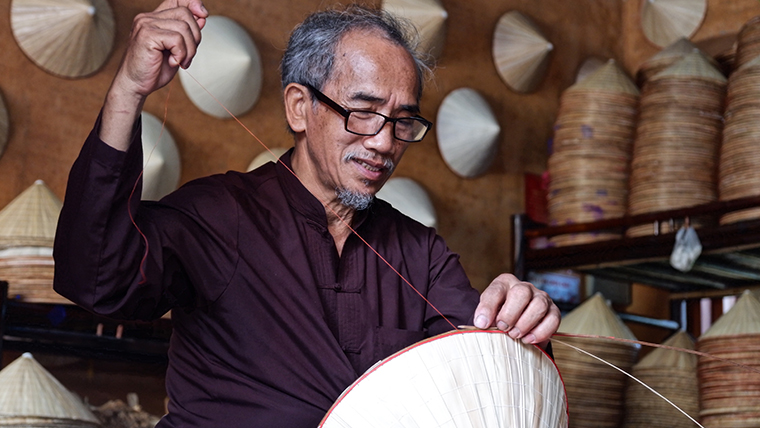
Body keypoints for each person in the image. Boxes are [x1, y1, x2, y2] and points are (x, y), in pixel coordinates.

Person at [53, 1, 561, 427]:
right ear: (299, 107)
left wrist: (522, 320)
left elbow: (482, 383)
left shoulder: (419, 252)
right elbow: (98, 278)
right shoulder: (221, 212)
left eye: (403, 121)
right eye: (362, 111)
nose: (383, 142)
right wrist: (129, 91)